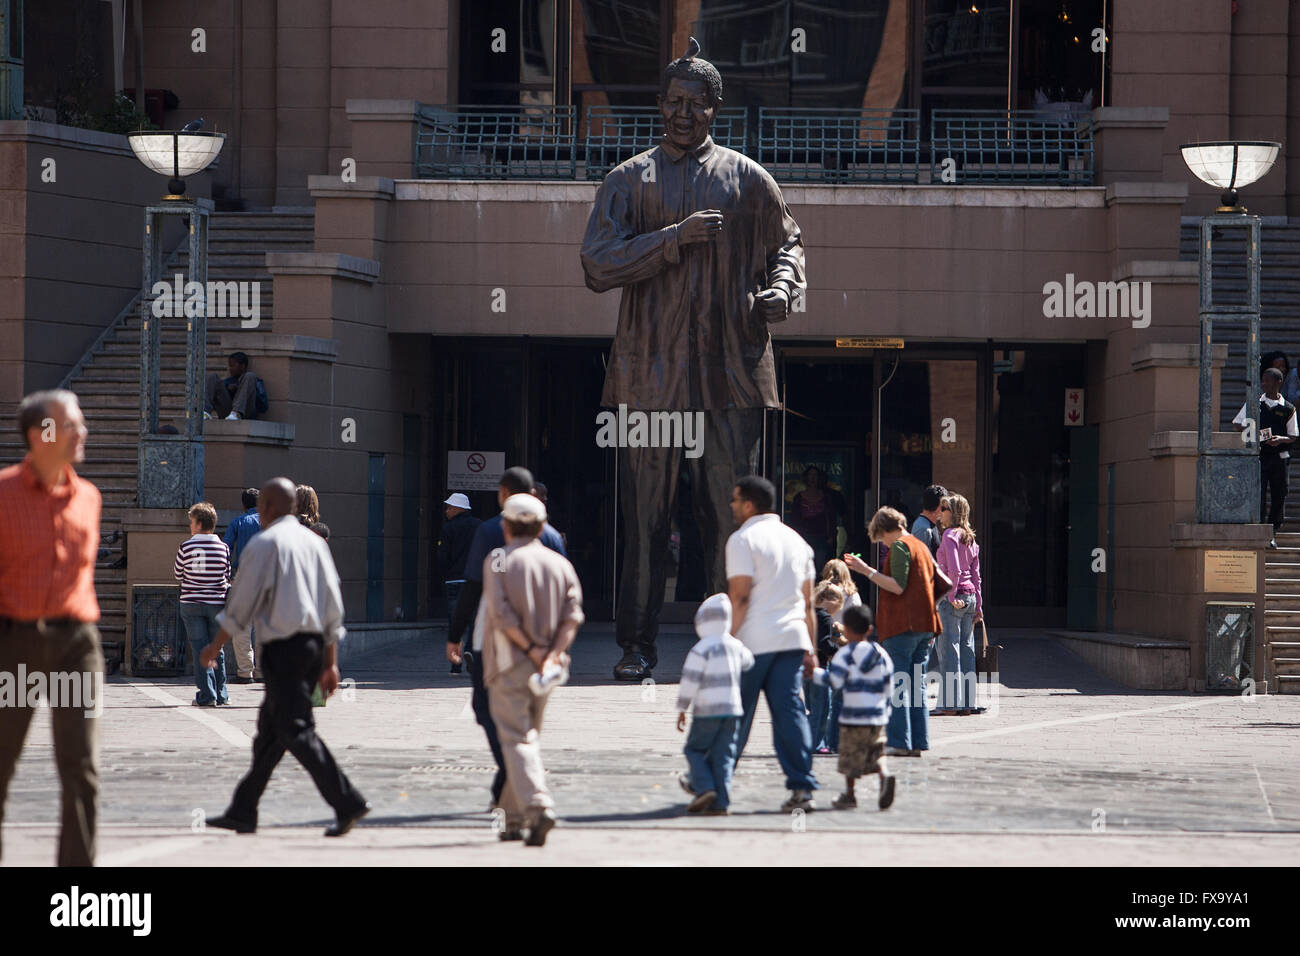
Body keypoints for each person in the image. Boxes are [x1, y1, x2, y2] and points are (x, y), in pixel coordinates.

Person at [581, 38, 806, 682]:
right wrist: (672, 240)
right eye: (673, 102)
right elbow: (597, 263)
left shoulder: (748, 179)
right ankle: (637, 647)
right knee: (645, 521)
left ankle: (727, 647)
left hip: (729, 378)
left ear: (714, 111)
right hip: (648, 382)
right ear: (659, 106)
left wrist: (783, 289)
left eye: (695, 104)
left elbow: (790, 246)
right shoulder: (629, 180)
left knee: (729, 526)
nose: (682, 113)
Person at [200, 478, 370, 838]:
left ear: (270, 507)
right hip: (310, 649)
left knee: (295, 730)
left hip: (284, 651)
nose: (259, 511)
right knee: (270, 735)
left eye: (262, 505)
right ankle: (243, 810)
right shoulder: (315, 543)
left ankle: (347, 801)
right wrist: (331, 661)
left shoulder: (265, 544)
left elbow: (241, 604)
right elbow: (332, 606)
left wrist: (215, 646)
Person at [0, 390, 103, 866]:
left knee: (81, 769)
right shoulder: (3, 496)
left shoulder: (89, 498)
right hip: (13, 641)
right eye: (72, 425)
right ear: (40, 434)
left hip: (77, 642)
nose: (83, 433)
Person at [446, 466, 565, 809]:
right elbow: (569, 601)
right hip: (543, 645)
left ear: (503, 494)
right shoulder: (553, 537)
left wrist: (456, 635)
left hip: (495, 643)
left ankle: (518, 783)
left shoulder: (491, 533)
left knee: (488, 711)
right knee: (525, 721)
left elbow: (474, 588)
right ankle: (511, 791)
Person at [480, 493, 584, 846]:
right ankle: (511, 820)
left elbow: (500, 614)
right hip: (548, 670)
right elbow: (573, 616)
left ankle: (539, 806)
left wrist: (531, 649)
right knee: (526, 739)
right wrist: (552, 653)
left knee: (516, 739)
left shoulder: (498, 560)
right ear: (541, 526)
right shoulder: (560, 564)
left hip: (510, 664)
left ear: (505, 526)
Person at [727, 475, 820, 812]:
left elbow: (739, 598)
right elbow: (808, 604)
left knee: (734, 714)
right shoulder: (798, 542)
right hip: (792, 640)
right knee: (790, 714)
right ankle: (802, 786)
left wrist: (726, 640)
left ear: (749, 504)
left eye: (735, 500)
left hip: (752, 641)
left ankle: (713, 783)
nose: (733, 506)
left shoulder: (742, 539)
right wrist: (812, 651)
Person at [846, 506, 942, 757]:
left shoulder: (900, 546)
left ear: (886, 529)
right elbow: (944, 582)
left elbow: (897, 586)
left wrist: (866, 570)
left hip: (903, 625)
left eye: (881, 538)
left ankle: (900, 742)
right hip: (924, 626)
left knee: (899, 684)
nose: (883, 544)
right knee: (916, 686)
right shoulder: (920, 545)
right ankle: (917, 742)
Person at [809, 604, 896, 811]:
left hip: (852, 717)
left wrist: (814, 673)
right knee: (877, 752)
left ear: (845, 629)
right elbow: (888, 685)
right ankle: (884, 773)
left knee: (850, 760)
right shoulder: (881, 653)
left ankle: (849, 795)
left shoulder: (844, 655)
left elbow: (836, 682)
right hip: (876, 717)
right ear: (870, 629)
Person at [675, 593, 755, 815]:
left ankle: (705, 787)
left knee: (694, 749)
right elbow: (750, 662)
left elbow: (689, 680)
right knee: (724, 755)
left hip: (706, 711)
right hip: (732, 710)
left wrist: (682, 708)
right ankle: (721, 802)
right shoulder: (735, 645)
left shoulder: (701, 649)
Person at [174, 502, 232, 707]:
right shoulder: (223, 547)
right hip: (217, 603)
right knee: (218, 648)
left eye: (191, 521)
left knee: (200, 649)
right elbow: (227, 575)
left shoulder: (186, 546)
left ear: (199, 523)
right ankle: (221, 692)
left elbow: (178, 574)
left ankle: (207, 694)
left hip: (191, 602)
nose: (190, 525)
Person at [1234, 367, 1298, 549]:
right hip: (1259, 457)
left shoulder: (1288, 408)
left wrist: (1280, 439)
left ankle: (1273, 532)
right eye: (1263, 381)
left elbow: (1293, 435)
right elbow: (1237, 424)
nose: (1264, 384)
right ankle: (1259, 531)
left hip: (1280, 458)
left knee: (1279, 494)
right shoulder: (1254, 403)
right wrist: (1252, 431)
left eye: (1268, 381)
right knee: (1259, 494)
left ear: (1279, 382)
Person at [933, 494, 985, 717]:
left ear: (953, 512)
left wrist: (951, 595)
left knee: (949, 650)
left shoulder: (949, 536)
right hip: (971, 597)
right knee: (967, 649)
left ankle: (950, 704)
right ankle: (967, 703)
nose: (940, 512)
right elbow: (976, 575)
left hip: (952, 598)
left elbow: (953, 570)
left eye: (944, 508)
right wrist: (979, 605)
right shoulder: (970, 538)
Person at [819, 559, 862, 753]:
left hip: (824, 648)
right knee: (840, 698)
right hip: (844, 647)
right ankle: (837, 741)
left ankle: (826, 740)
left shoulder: (821, 593)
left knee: (823, 700)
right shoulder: (853, 595)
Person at [438, 492, 481, 673]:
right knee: (475, 621)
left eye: (449, 507)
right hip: (474, 580)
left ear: (458, 509)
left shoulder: (448, 529)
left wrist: (444, 573)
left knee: (455, 622)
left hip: (454, 580)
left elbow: (443, 557)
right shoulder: (480, 526)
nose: (446, 511)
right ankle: (470, 650)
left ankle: (455, 664)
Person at [223, 487, 261, 683]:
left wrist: (228, 575)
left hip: (243, 578)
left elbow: (226, 549)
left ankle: (245, 671)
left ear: (243, 505)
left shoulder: (238, 522)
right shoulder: (272, 523)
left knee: (241, 627)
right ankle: (263, 671)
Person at [805, 581, 844, 755]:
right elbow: (824, 644)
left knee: (811, 708)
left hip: (805, 668)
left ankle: (809, 742)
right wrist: (840, 649)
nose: (839, 608)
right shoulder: (825, 617)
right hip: (819, 667)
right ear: (830, 600)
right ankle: (817, 744)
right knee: (821, 709)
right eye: (839, 603)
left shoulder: (809, 614)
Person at [789, 466, 840, 573]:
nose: (812, 478)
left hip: (821, 538)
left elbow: (831, 518)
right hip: (804, 538)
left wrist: (831, 536)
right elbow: (794, 520)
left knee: (820, 567)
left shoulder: (826, 497)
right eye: (810, 475)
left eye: (815, 475)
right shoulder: (799, 497)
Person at [204, 351, 265, 421]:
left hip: (246, 412)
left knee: (250, 375)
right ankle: (205, 412)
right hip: (227, 412)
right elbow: (217, 402)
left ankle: (237, 413)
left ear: (242, 366)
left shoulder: (255, 381)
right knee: (213, 376)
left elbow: (263, 407)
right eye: (229, 366)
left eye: (232, 366)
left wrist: (242, 390)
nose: (230, 369)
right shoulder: (228, 381)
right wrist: (228, 389)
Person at [910, 484, 949, 558]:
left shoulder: (928, 525)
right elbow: (919, 560)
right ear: (938, 507)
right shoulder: (923, 528)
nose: (945, 510)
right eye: (944, 506)